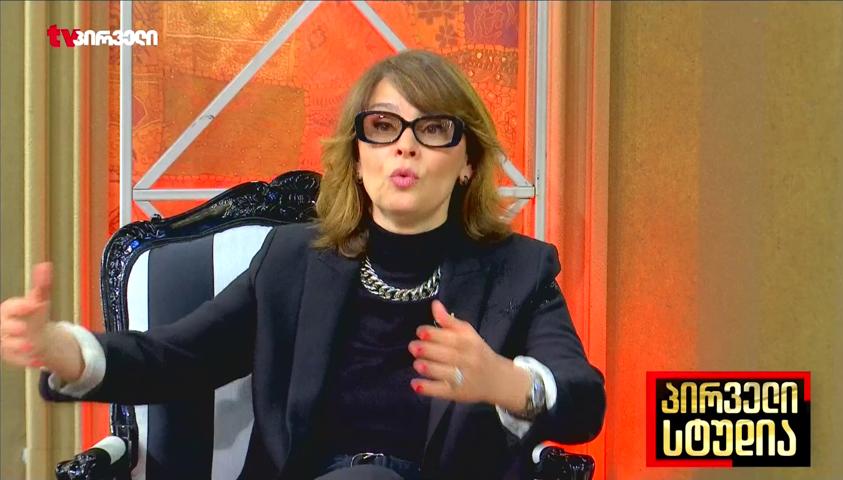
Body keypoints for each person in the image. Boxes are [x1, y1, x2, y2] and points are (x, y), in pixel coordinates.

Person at [0, 50, 605, 480]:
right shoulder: (291, 262)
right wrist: (64, 350)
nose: (406, 144)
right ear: (358, 156)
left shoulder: (518, 270)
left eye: (434, 128)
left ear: (468, 161)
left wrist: (507, 382)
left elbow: (584, 402)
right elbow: (178, 358)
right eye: (383, 126)